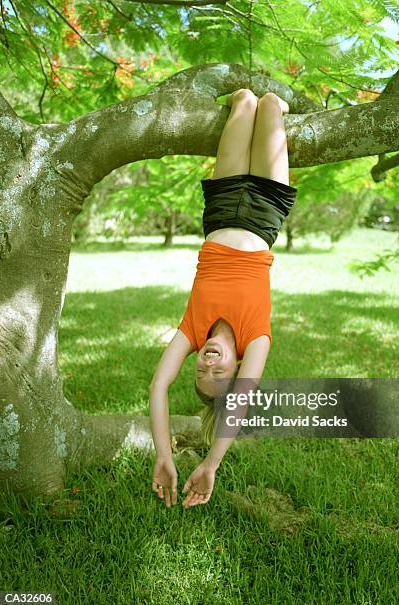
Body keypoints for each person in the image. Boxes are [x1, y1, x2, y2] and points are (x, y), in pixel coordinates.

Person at [149, 88, 297, 508]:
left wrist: (164, 454)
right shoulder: (257, 339)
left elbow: (159, 386)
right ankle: (279, 106)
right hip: (266, 209)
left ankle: (240, 98)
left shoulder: (192, 330)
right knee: (271, 105)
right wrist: (212, 462)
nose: (207, 364)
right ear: (236, 367)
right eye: (218, 374)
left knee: (247, 101)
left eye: (200, 371)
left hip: (223, 204)